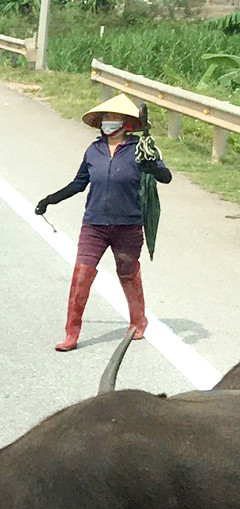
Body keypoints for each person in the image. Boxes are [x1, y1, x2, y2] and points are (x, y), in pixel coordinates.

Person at [34, 95, 171, 351]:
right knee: (81, 276)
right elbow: (79, 183)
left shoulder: (140, 150)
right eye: (105, 119)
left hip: (128, 225)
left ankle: (138, 322)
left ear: (126, 123)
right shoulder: (93, 150)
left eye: (113, 119)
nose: (108, 123)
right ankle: (71, 334)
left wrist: (153, 167)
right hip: (94, 224)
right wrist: (50, 199)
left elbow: (166, 177)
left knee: (128, 274)